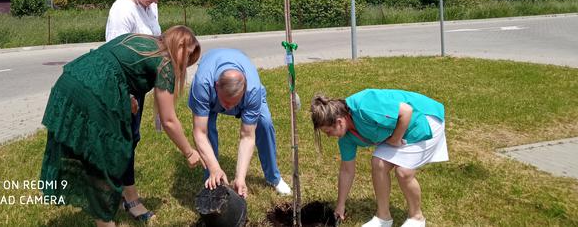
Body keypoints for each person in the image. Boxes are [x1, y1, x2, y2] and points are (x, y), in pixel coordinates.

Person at [40, 26, 203, 227]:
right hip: (93, 92)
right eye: (186, 55)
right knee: (109, 154)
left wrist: (126, 96)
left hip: (72, 78)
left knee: (91, 152)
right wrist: (188, 152)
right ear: (177, 43)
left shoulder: (138, 39)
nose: (186, 62)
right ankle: (105, 221)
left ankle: (106, 207)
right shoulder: (165, 63)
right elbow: (168, 120)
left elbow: (111, 65)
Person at [310, 90, 448, 227]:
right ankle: (383, 218)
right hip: (398, 130)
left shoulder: (365, 105)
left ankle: (416, 218)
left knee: (403, 172)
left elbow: (406, 112)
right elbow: (347, 170)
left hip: (423, 120)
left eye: (328, 132)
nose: (328, 136)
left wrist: (395, 139)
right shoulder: (346, 138)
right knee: (378, 163)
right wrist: (340, 205)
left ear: (339, 122)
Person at [104, 0, 167, 219]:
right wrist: (127, 96)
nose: (154, 3)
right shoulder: (122, 11)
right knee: (126, 140)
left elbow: (154, 38)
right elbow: (113, 56)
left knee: (131, 138)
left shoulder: (149, 5)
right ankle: (130, 199)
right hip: (122, 86)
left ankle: (115, 190)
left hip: (138, 84)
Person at [189, 48, 292, 198]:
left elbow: (247, 137)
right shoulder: (202, 84)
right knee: (208, 131)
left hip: (245, 90)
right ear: (217, 86)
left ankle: (273, 177)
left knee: (265, 123)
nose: (229, 108)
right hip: (210, 88)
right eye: (225, 102)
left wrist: (240, 178)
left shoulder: (253, 90)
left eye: (234, 103)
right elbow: (200, 132)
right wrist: (214, 167)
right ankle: (213, 179)